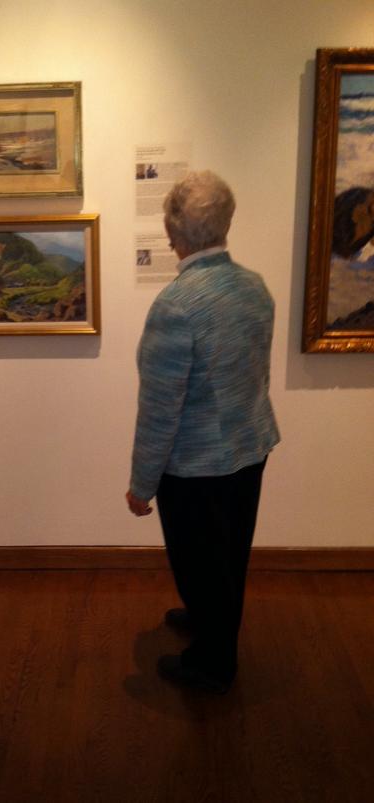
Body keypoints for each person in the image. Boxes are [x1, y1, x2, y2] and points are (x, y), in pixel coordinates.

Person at [126, 171, 280, 694]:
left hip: (197, 465)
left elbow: (159, 410)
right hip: (249, 446)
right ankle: (207, 618)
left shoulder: (176, 305)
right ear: (226, 223)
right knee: (229, 552)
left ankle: (214, 663)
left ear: (173, 232)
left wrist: (142, 485)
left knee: (198, 560)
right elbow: (254, 372)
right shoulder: (254, 287)